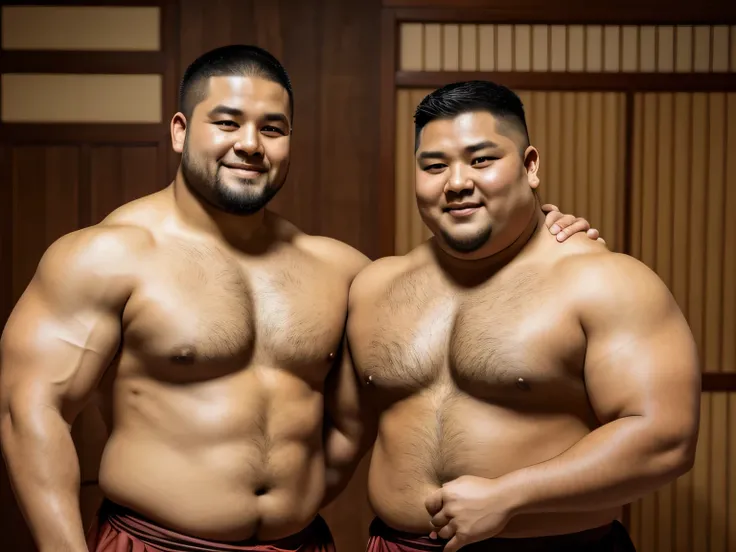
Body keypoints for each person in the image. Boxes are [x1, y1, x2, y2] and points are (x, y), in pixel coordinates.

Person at [0, 45, 599, 552]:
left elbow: (444, 295)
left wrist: (539, 234)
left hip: (302, 542)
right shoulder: (104, 255)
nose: (251, 144)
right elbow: (30, 414)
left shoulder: (340, 270)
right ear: (181, 131)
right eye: (227, 122)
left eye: (273, 128)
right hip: (156, 541)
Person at [330, 81, 701, 552]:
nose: (457, 181)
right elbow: (341, 435)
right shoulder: (376, 286)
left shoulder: (605, 282)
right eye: (434, 165)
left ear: (530, 166)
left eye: (482, 160)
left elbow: (664, 437)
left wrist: (510, 495)